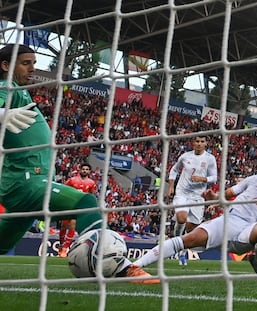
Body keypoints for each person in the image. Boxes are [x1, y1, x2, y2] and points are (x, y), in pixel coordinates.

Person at [0, 44, 155, 284]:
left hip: (24, 182)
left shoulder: (19, 91)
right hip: (27, 182)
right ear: (5, 66)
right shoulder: (7, 87)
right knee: (85, 202)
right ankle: (121, 267)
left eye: (33, 62)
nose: (33, 68)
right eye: (26, 63)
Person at [131, 157, 257, 279]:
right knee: (187, 239)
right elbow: (227, 194)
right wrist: (214, 197)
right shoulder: (255, 180)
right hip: (228, 220)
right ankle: (133, 267)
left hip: (248, 233)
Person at [168, 135, 218, 265]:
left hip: (198, 196)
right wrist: (171, 186)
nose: (199, 144)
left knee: (191, 229)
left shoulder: (210, 159)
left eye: (202, 141)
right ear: (193, 143)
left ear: (206, 143)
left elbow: (214, 177)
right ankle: (176, 243)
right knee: (181, 218)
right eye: (197, 141)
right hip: (182, 193)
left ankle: (182, 251)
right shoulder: (185, 157)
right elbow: (174, 169)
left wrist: (203, 179)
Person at [58, 163, 97, 258]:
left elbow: (91, 196)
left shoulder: (91, 183)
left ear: (89, 171)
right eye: (83, 169)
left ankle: (65, 249)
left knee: (72, 225)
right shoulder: (72, 180)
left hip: (80, 207)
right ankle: (61, 244)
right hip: (69, 205)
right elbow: (64, 190)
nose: (85, 171)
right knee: (63, 227)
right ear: (80, 170)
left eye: (87, 169)